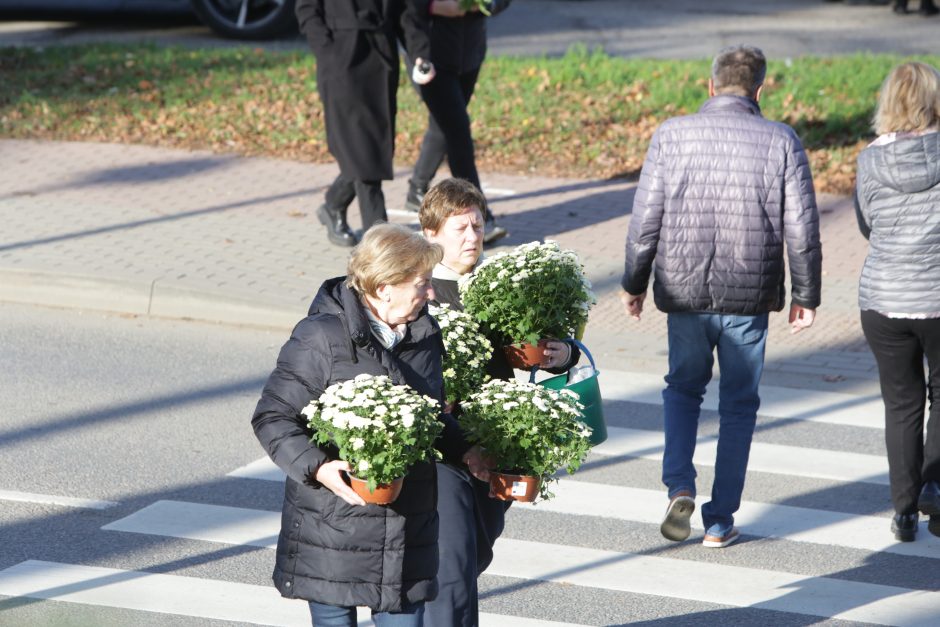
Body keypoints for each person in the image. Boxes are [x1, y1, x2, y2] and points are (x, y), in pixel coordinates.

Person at [621, 45, 822, 549]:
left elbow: (645, 220)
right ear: (760, 90)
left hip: (684, 292)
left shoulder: (671, 134)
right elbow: (802, 228)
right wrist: (807, 292)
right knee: (738, 405)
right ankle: (719, 520)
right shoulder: (781, 141)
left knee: (682, 390)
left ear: (710, 87)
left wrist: (633, 282)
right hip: (749, 296)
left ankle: (679, 485)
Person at [252, 224, 487, 626]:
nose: (430, 293)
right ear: (384, 287)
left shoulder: (426, 334)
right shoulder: (322, 337)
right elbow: (273, 417)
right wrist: (318, 466)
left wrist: (466, 448)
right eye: (422, 283)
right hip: (334, 528)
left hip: (406, 532)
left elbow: (428, 415)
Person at [419, 177, 577, 626]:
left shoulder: (505, 281)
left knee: (476, 548)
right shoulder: (422, 289)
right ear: (432, 234)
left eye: (478, 225)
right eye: (460, 229)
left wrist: (562, 353)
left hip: (499, 437)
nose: (472, 237)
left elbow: (556, 342)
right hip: (443, 446)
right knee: (452, 557)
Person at [855, 61, 940, 542]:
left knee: (901, 404)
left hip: (884, 298)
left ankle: (904, 510)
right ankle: (937, 486)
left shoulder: (870, 160)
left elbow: (868, 225)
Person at [295, 0, 436, 248]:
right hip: (341, 58)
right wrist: (328, 51)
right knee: (360, 148)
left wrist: (419, 53)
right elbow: (307, 9)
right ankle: (381, 244)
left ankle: (333, 205)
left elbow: (406, 13)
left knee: (373, 148)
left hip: (381, 59)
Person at [404, 0, 512, 245]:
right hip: (430, 56)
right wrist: (432, 6)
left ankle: (417, 188)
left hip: (469, 55)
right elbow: (405, 10)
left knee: (444, 125)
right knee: (458, 131)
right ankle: (481, 215)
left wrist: (484, 4)